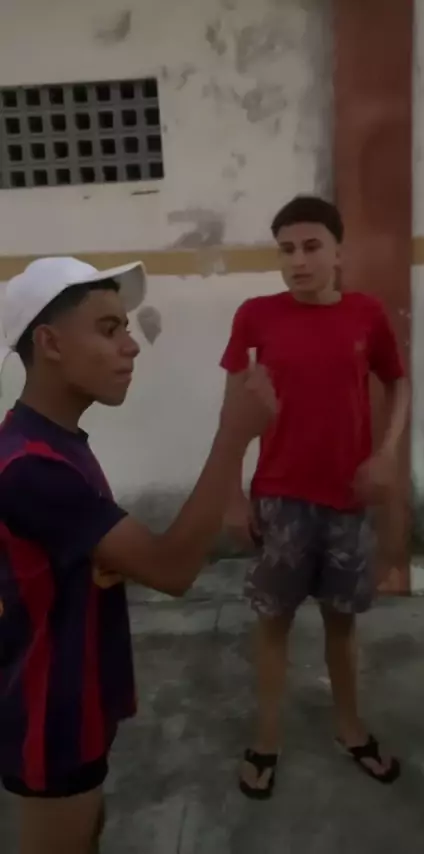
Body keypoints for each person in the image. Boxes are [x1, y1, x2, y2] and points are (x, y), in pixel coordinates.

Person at [0, 256, 276, 854]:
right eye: (108, 330)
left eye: (125, 328)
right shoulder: (30, 469)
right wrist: (235, 434)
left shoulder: (53, 442)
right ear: (49, 343)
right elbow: (172, 569)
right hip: (51, 721)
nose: (130, 347)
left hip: (76, 701)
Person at [220, 195, 410, 799]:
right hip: (279, 499)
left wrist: (387, 453)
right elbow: (233, 408)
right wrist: (231, 492)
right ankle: (266, 739)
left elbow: (398, 381)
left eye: (310, 247)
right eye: (286, 250)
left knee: (341, 624)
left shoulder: (365, 315)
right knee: (272, 622)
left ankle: (350, 728)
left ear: (337, 253)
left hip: (346, 501)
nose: (298, 261)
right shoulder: (256, 316)